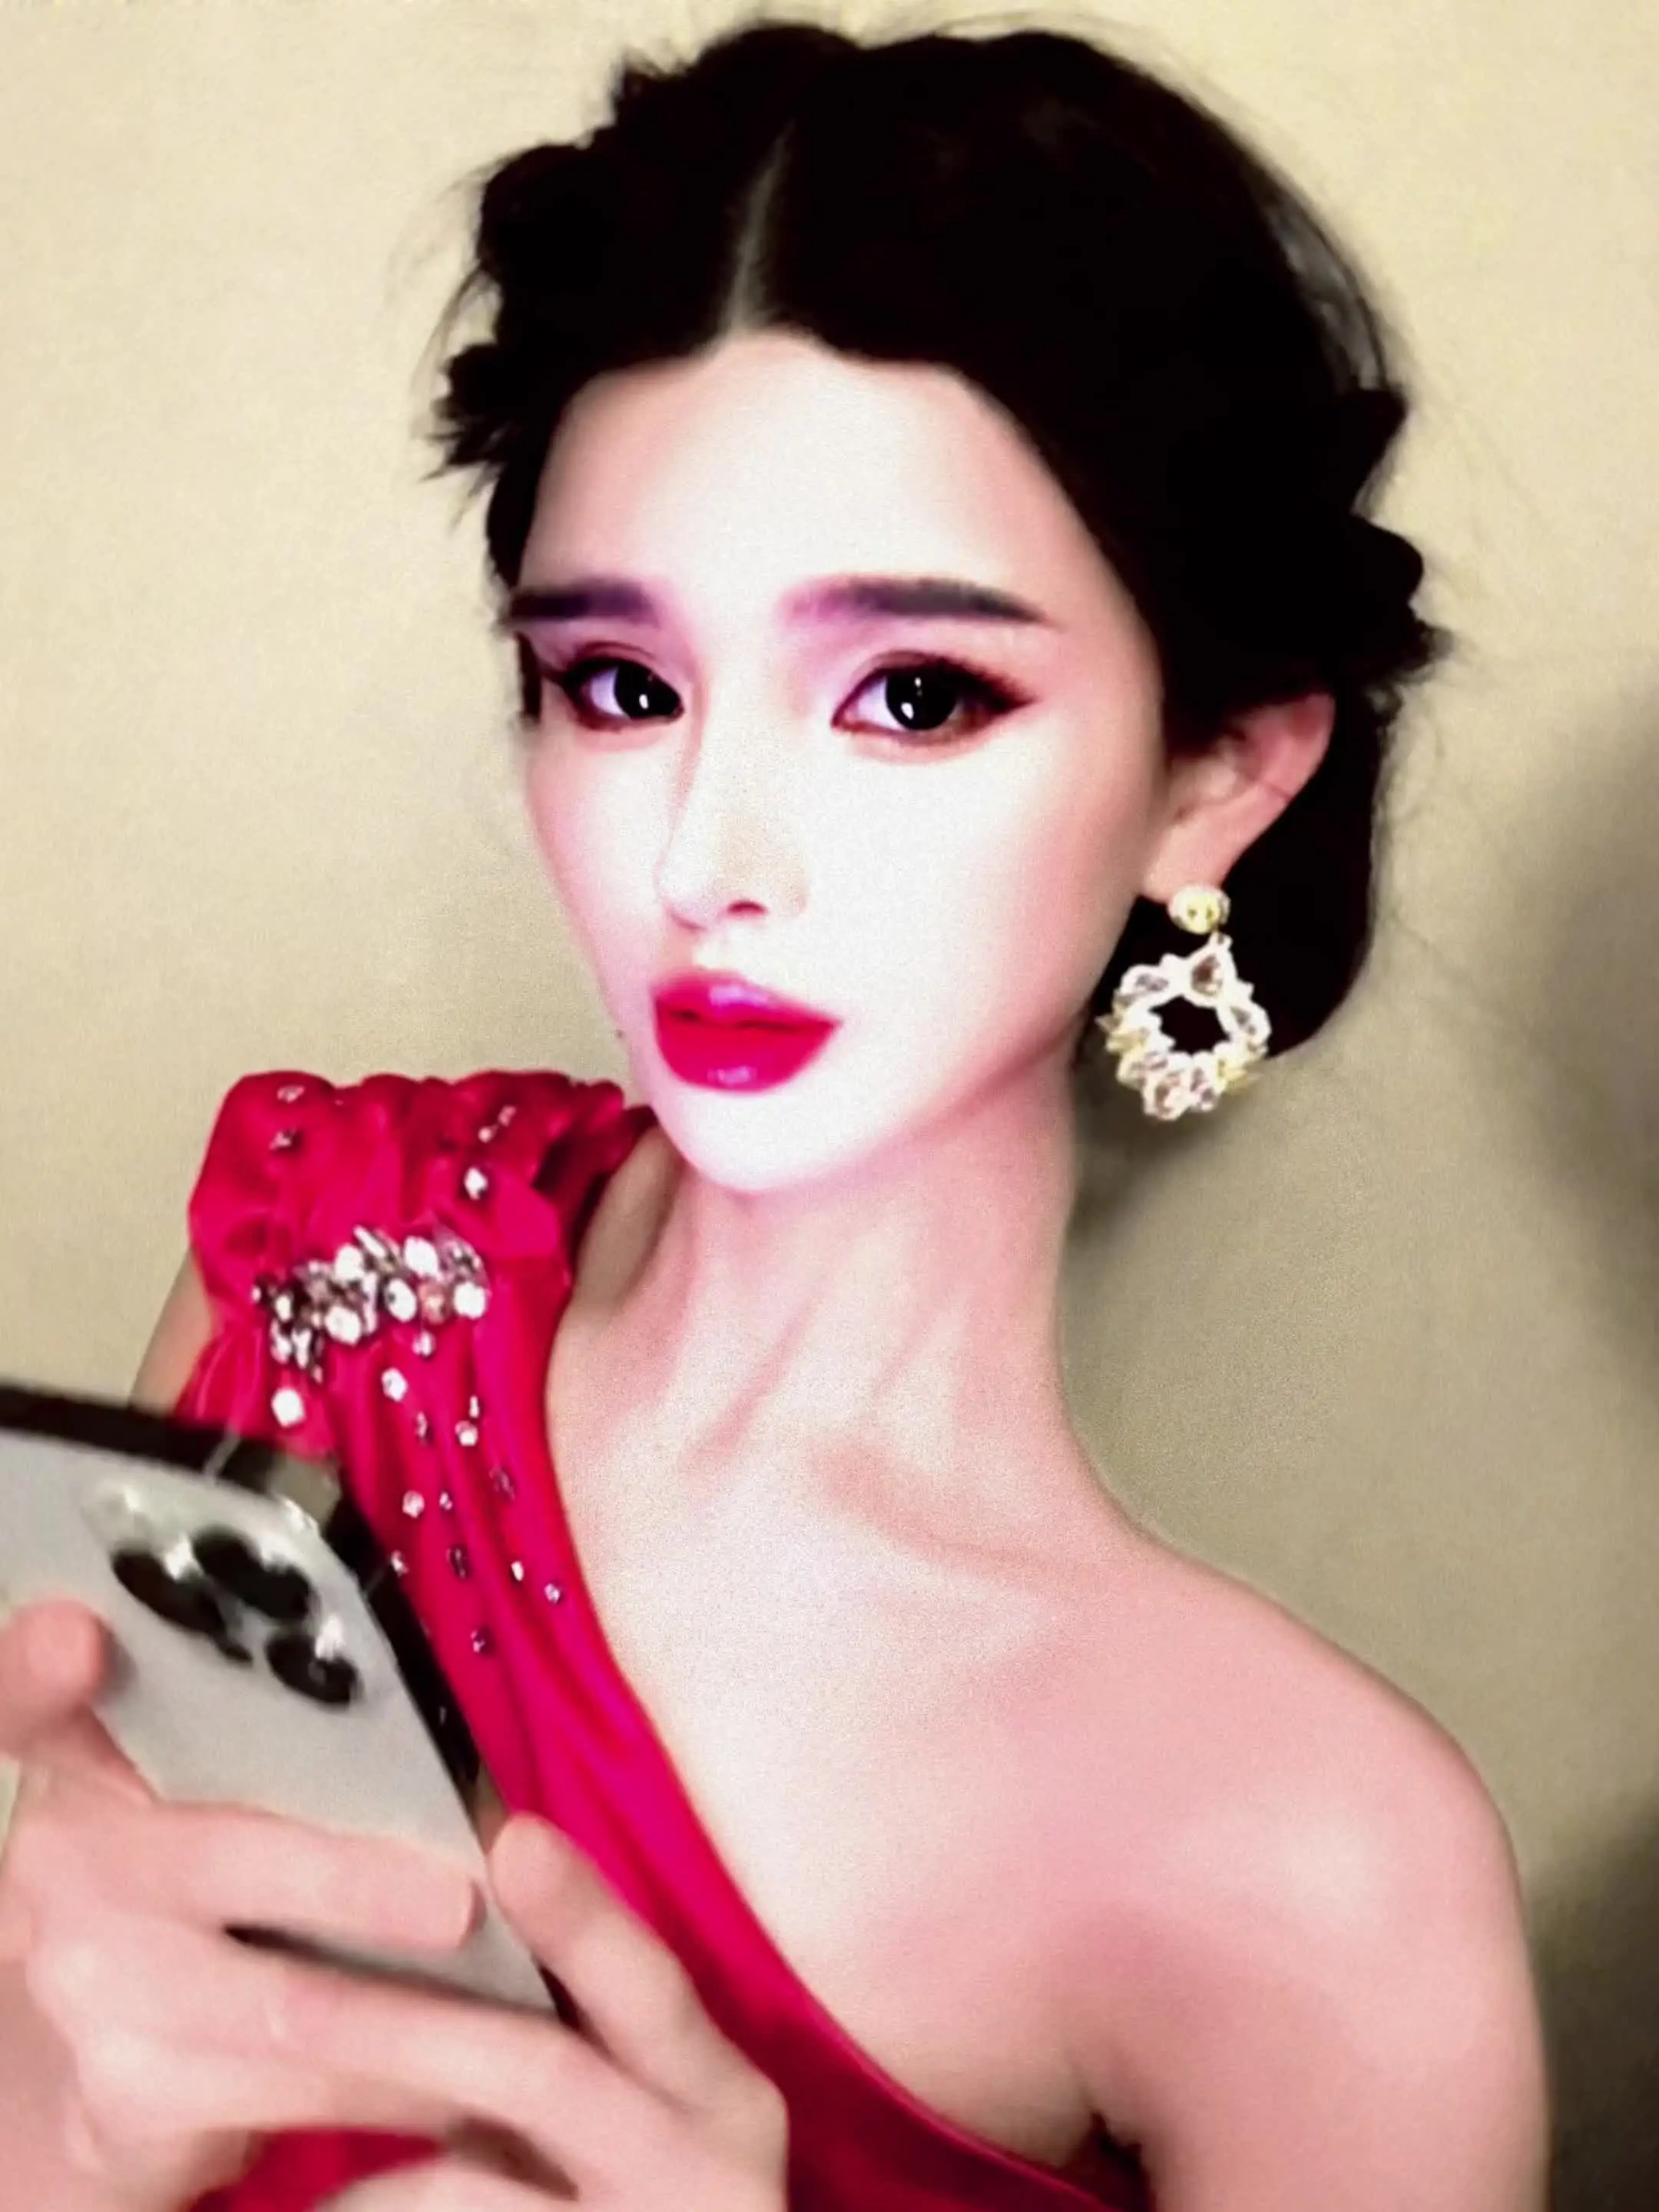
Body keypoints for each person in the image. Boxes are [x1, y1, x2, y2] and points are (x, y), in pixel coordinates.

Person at [0, 16, 1550, 2210]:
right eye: (620, 684)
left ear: (1216, 773)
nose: (708, 857)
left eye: (913, 694)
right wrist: (53, 2135)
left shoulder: (1309, 1867)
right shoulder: (333, 1253)